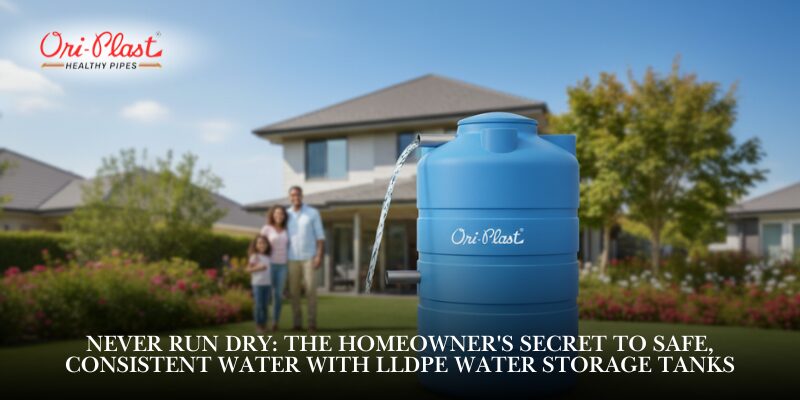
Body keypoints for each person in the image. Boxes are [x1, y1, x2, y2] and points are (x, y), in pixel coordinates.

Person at [286, 185, 325, 332]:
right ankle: (297, 324)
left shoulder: (312, 213)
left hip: (309, 257)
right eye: (293, 195)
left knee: (311, 292)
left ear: (302, 196)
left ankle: (311, 324)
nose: (295, 197)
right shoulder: (286, 214)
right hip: (291, 258)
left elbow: (320, 237)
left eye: (298, 195)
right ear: (289, 197)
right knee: (294, 293)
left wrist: (319, 255)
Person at [260, 205, 289, 331]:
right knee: (266, 295)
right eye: (277, 213)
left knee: (278, 295)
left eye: (281, 213)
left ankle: (275, 322)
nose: (279, 215)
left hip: (282, 266)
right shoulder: (267, 229)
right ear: (272, 215)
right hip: (269, 264)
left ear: (284, 216)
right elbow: (260, 245)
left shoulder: (287, 229)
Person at [247, 235, 272, 334]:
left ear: (267, 245)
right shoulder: (255, 256)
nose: (262, 245)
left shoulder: (268, 257)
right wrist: (259, 268)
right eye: (259, 243)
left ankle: (264, 325)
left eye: (264, 243)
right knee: (259, 306)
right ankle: (258, 326)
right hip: (257, 284)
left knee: (265, 306)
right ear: (256, 245)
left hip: (267, 284)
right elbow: (248, 269)